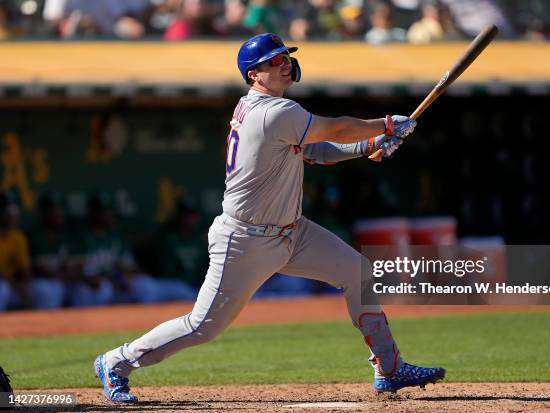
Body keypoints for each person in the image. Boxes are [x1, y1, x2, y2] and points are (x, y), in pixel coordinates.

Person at [94, 32, 445, 403]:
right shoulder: (274, 112)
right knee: (203, 326)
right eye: (273, 60)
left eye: (284, 57)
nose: (283, 64)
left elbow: (318, 152)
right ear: (253, 75)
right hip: (246, 239)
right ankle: (116, 362)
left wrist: (368, 146)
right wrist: (385, 125)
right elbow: (337, 128)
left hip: (293, 233)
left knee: (357, 272)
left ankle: (389, 369)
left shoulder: (272, 110)